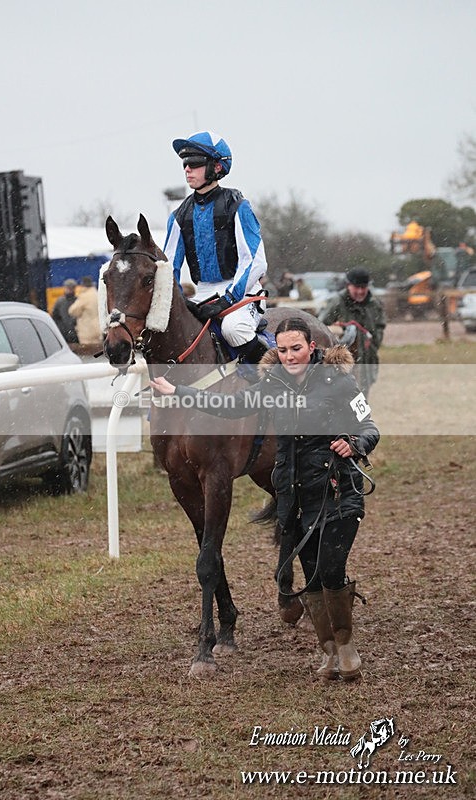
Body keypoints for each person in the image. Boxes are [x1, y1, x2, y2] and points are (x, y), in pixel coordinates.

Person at [150, 318, 379, 682]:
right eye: (283, 350)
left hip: (337, 491)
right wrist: (177, 393)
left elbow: (369, 426)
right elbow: (228, 406)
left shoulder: (339, 382)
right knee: (313, 577)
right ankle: (329, 650)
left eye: (297, 349)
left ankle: (347, 645)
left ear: (312, 347)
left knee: (332, 570)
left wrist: (354, 443)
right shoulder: (272, 385)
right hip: (296, 497)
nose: (290, 356)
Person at [164, 131, 269, 365]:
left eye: (194, 163)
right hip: (202, 293)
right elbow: (169, 267)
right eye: (184, 164)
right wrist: (180, 301)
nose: (187, 169)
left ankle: (274, 379)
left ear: (217, 167)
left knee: (233, 329)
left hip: (244, 292)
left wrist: (228, 299)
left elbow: (255, 261)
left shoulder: (238, 206)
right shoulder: (179, 216)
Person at [319, 267, 386, 398]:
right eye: (356, 287)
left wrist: (374, 343)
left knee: (362, 398)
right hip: (343, 362)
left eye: (363, 287)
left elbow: (380, 327)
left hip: (367, 359)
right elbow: (321, 326)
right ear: (348, 285)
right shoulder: (337, 303)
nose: (360, 291)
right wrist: (339, 331)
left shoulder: (374, 304)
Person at [68, 276, 102, 346]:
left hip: (87, 330)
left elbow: (72, 311)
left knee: (87, 353)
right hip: (98, 329)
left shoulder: (84, 296)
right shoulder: (97, 294)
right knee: (98, 351)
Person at [51, 279, 78, 344]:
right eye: (68, 288)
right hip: (63, 334)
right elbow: (55, 316)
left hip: (75, 333)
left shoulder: (77, 301)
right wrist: (61, 328)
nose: (69, 290)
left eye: (71, 288)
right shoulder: (60, 301)